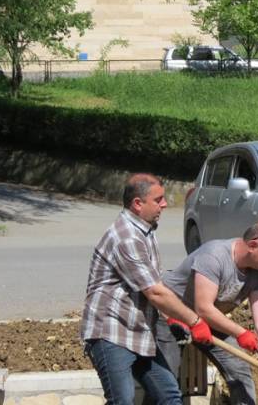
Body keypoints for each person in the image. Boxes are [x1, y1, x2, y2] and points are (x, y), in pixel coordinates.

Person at [81, 173, 213, 405]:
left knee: (169, 395)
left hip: (139, 332)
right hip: (111, 332)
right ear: (137, 204)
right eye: (158, 199)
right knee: (122, 400)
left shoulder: (145, 231)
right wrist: (195, 321)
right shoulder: (126, 237)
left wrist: (173, 316)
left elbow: (154, 284)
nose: (165, 204)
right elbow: (155, 292)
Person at [159, 221, 258, 405]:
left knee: (238, 368)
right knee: (165, 378)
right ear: (252, 245)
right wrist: (241, 333)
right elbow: (204, 308)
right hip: (170, 314)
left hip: (208, 321)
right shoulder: (214, 256)